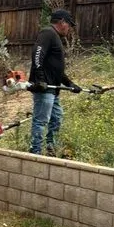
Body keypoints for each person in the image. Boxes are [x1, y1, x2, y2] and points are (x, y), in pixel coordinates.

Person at [28, 9, 81, 156]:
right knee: (41, 121)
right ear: (62, 22)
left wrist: (70, 84)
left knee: (56, 118)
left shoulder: (55, 37)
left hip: (53, 88)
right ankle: (35, 152)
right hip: (45, 88)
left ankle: (51, 148)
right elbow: (37, 53)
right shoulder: (48, 33)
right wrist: (40, 79)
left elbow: (56, 70)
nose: (69, 28)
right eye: (69, 24)